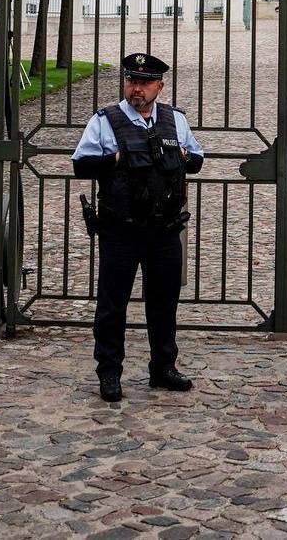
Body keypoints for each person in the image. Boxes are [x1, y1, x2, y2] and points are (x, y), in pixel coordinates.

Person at [72, 52, 205, 402]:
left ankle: (163, 366)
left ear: (159, 86)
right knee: (113, 304)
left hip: (164, 229)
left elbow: (197, 160)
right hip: (121, 229)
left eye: (145, 83)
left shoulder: (175, 120)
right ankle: (110, 372)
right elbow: (80, 164)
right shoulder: (106, 120)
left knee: (164, 302)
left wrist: (178, 157)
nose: (137, 89)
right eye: (132, 81)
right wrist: (117, 158)